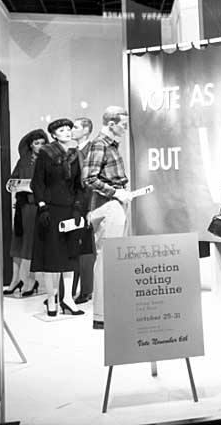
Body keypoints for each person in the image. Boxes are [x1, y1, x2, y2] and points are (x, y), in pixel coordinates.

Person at [31, 118, 85, 317]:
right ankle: (52, 299)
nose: (67, 132)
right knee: (51, 256)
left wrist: (78, 208)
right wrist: (42, 206)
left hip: (70, 211)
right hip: (51, 211)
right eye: (62, 130)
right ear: (54, 134)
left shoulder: (75, 154)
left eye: (69, 129)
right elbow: (38, 183)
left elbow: (79, 186)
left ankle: (68, 299)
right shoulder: (46, 153)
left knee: (70, 256)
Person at [83, 106, 131, 330]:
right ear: (111, 123)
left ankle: (109, 311)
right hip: (107, 206)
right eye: (122, 124)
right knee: (106, 259)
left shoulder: (109, 145)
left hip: (115, 203)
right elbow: (89, 178)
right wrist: (115, 192)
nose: (125, 128)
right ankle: (101, 315)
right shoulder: (100, 144)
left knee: (111, 258)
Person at [5, 129, 48, 297]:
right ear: (31, 145)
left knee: (31, 245)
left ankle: (31, 280)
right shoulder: (23, 161)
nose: (39, 146)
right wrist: (22, 185)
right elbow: (11, 182)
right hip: (23, 207)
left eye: (43, 143)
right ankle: (16, 280)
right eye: (36, 143)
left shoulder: (48, 160)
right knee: (17, 243)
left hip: (38, 207)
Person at [71, 117, 95, 305]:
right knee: (73, 247)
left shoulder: (92, 150)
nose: (72, 130)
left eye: (76, 127)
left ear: (86, 130)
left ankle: (86, 290)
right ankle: (69, 292)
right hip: (72, 206)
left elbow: (92, 184)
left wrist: (90, 209)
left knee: (86, 248)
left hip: (87, 205)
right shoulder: (71, 153)